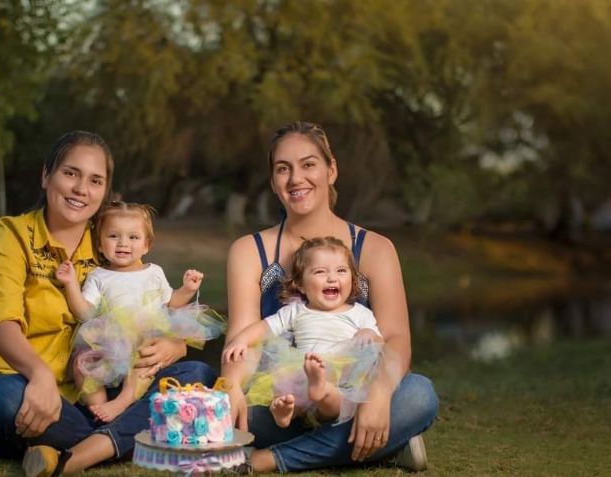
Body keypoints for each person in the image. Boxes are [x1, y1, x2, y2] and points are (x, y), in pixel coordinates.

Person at [0, 130, 216, 477]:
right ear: (46, 175)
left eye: (95, 180)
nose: (81, 189)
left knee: (198, 375)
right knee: (3, 403)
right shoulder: (12, 234)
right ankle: (122, 440)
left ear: (104, 192)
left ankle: (73, 452)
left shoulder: (108, 241)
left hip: (90, 394)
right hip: (15, 381)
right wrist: (39, 376)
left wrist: (175, 345)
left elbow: (153, 303)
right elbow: (0, 322)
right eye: (70, 173)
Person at [223, 121, 438, 473]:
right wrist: (231, 386)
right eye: (283, 169)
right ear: (273, 181)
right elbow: (243, 340)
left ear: (331, 169)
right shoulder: (249, 251)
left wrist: (380, 396)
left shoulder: (375, 248)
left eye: (308, 164)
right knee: (226, 406)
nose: (296, 179)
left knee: (419, 395)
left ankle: (270, 459)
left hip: (355, 393)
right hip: (283, 403)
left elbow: (397, 340)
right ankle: (383, 443)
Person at [55, 200, 224, 423]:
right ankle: (98, 409)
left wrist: (187, 289)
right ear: (99, 244)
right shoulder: (99, 276)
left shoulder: (154, 272)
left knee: (143, 350)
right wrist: (70, 285)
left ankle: (124, 399)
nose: (123, 243)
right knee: (82, 364)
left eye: (133, 237)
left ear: (146, 245)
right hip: (110, 343)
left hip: (145, 335)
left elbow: (171, 302)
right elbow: (85, 313)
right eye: (113, 236)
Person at [222, 236, 382, 429]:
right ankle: (285, 412)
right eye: (320, 272)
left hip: (343, 374)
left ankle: (321, 392)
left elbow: (378, 344)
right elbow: (265, 327)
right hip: (303, 372)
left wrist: (368, 333)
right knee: (283, 385)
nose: (332, 278)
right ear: (300, 284)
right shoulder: (296, 310)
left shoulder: (360, 313)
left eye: (341, 271)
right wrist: (241, 340)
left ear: (352, 279)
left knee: (339, 400)